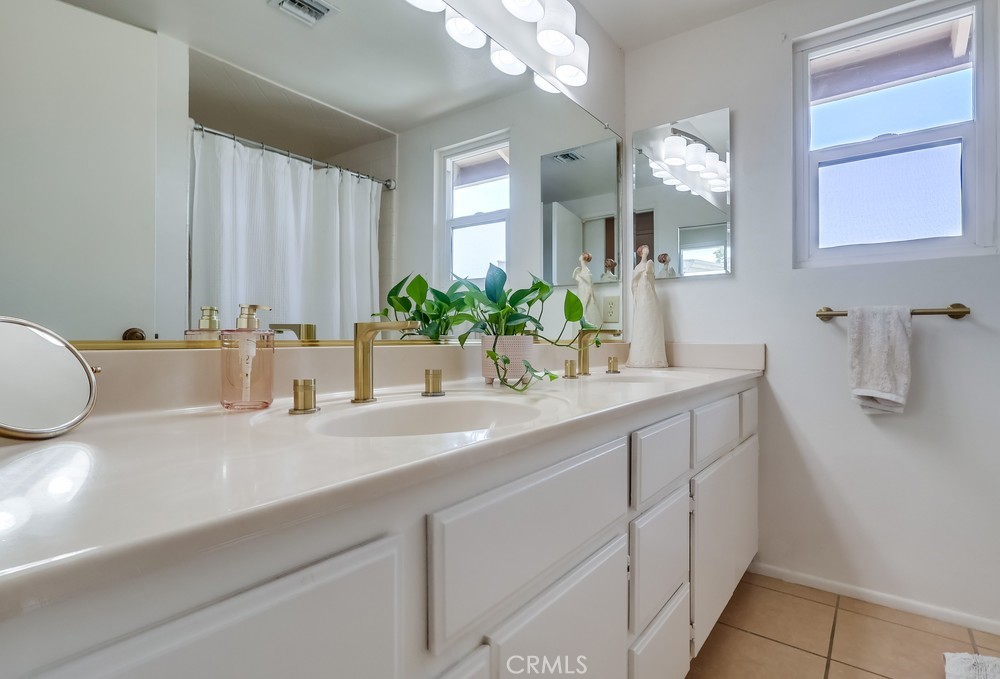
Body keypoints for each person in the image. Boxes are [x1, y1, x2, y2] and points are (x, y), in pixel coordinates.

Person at [626, 245, 668, 367]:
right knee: (642, 322)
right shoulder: (639, 267)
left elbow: (651, 283)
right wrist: (635, 298)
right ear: (640, 252)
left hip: (650, 296)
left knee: (652, 322)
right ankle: (640, 358)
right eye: (645, 248)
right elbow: (633, 284)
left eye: (647, 248)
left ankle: (654, 358)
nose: (647, 250)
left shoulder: (650, 264)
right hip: (642, 296)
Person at [571, 252, 601, 325]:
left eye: (581, 255)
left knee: (584, 307)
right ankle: (583, 320)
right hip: (581, 290)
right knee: (581, 307)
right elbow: (577, 280)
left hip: (585, 291)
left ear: (583, 258)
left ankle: (585, 320)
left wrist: (592, 297)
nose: (580, 256)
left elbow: (589, 284)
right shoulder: (580, 270)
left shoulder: (586, 271)